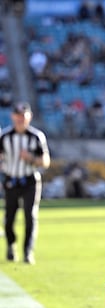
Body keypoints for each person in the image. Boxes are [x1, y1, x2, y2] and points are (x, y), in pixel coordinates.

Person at [0, 101, 51, 264]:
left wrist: (31, 158)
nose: (20, 119)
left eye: (23, 116)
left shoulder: (36, 136)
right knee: (9, 218)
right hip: (11, 180)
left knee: (30, 215)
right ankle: (11, 245)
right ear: (12, 116)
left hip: (30, 180)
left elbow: (45, 161)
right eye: (18, 115)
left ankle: (28, 252)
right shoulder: (5, 137)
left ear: (29, 117)